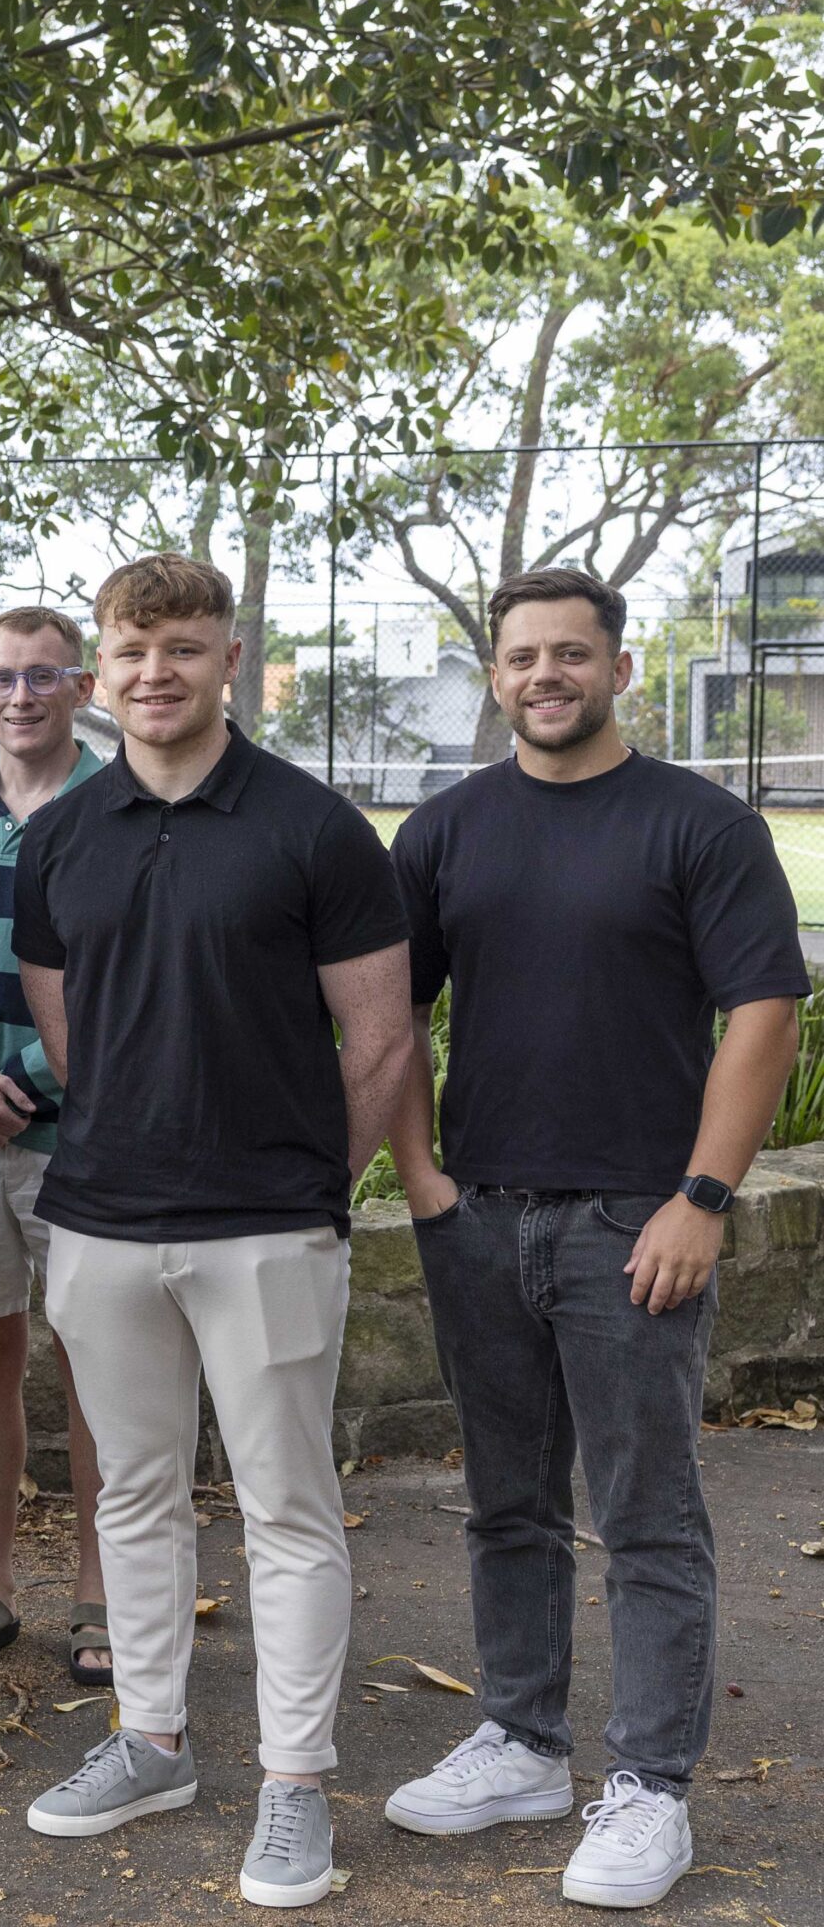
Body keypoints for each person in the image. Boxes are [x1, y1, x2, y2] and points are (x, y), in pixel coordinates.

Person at [380, 568, 805, 1911]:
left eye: (572, 653)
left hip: (638, 1225)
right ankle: (519, 1740)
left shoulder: (699, 824)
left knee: (647, 1516)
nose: (545, 674)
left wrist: (704, 1196)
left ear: (621, 669)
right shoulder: (444, 833)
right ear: (495, 674)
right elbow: (386, 1019)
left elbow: (762, 1013)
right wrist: (419, 1180)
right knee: (508, 1504)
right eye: (522, 656)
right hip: (481, 1217)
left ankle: (651, 1788)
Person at [11, 554, 414, 1909]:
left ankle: (296, 1789)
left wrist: (313, 1190)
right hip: (104, 1223)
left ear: (228, 656)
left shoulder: (312, 828)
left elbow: (380, 1036)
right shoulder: (65, 833)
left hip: (266, 1228)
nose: (154, 674)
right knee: (130, 1495)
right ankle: (152, 1742)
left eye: (182, 648)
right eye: (130, 652)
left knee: (289, 1511)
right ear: (98, 673)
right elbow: (72, 1029)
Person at [0, 606, 111, 1685]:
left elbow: (127, 986)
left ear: (81, 687)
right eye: (1, 677)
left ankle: (99, 1590)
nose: (23, 695)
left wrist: (32, 1082)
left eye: (44, 675)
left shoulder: (121, 813)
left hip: (81, 1138)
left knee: (98, 1364)